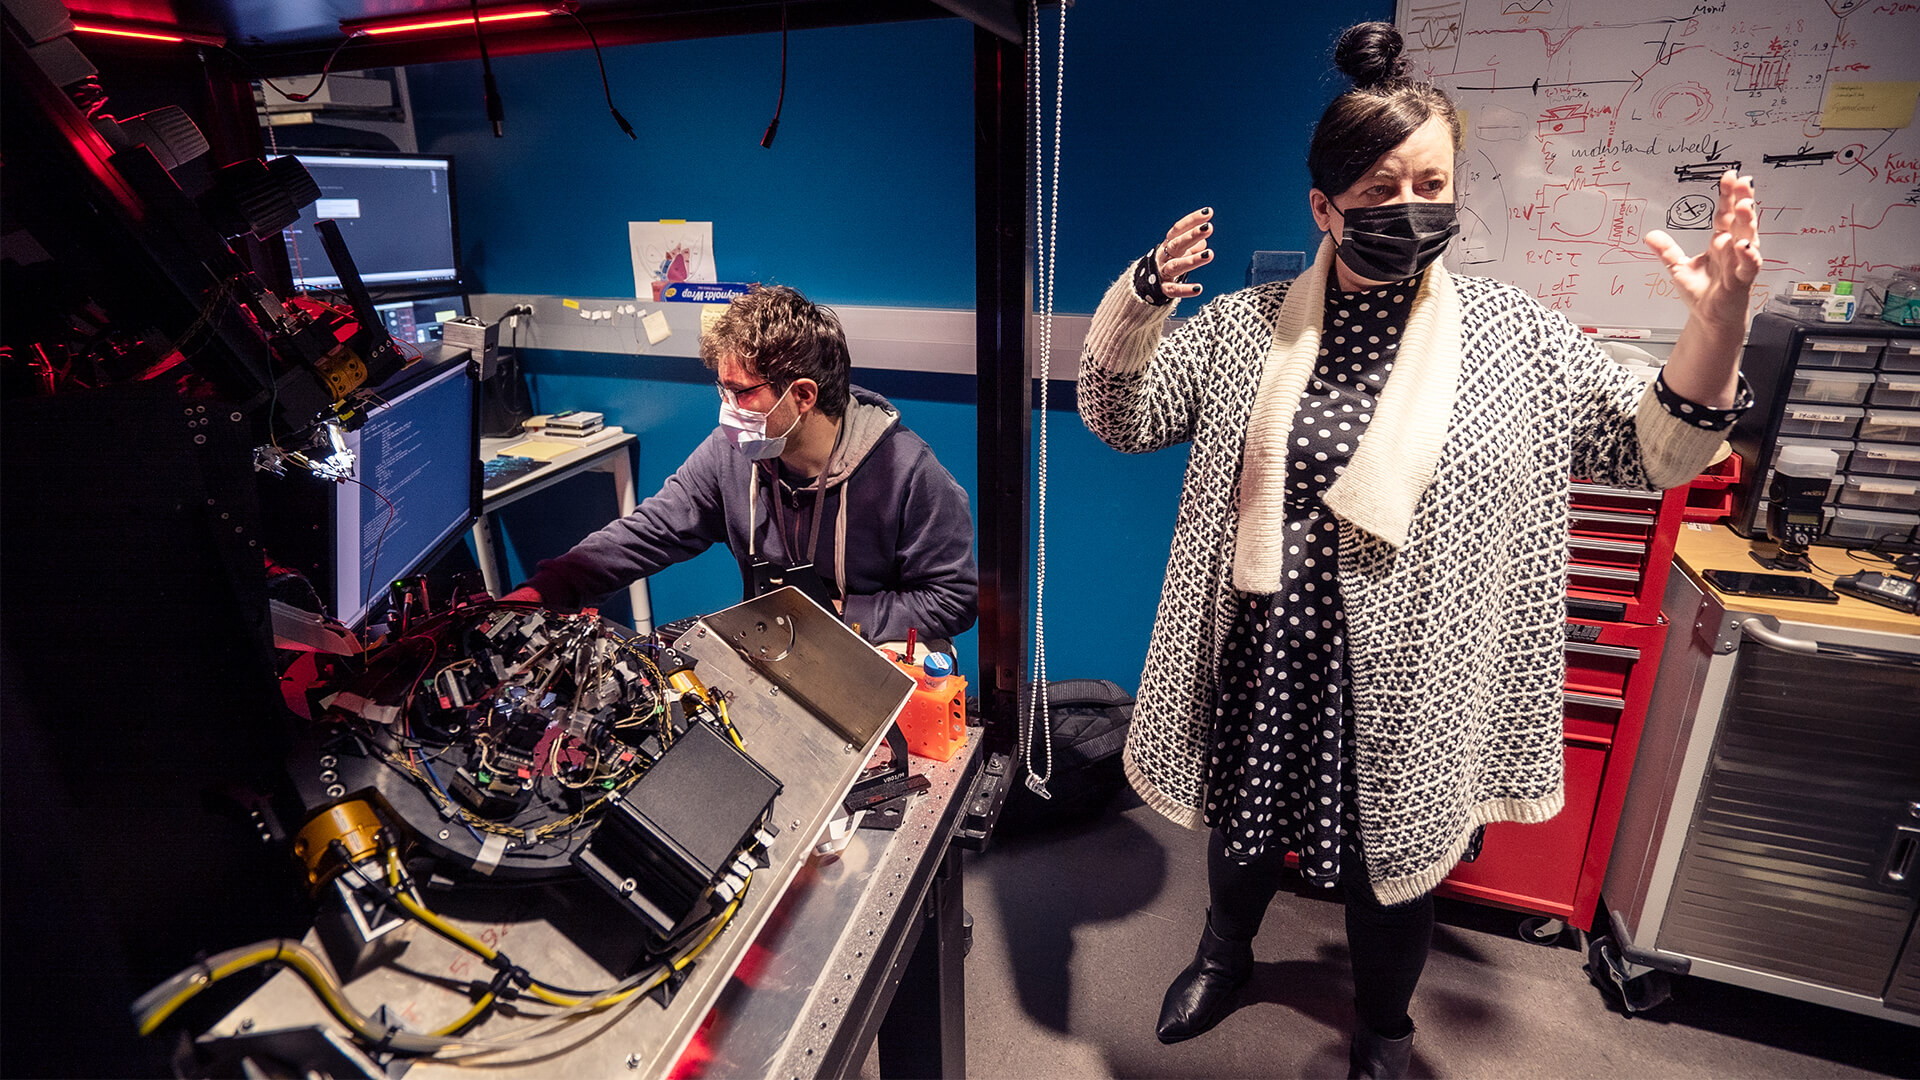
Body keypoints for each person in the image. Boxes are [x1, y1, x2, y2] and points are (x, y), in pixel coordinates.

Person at [1077, 22, 1755, 1079]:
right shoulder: (1249, 328)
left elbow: (1654, 450)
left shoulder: (1514, 338)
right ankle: (1225, 955)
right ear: (1324, 207)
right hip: (1267, 640)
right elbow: (1119, 412)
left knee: (1388, 868)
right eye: (1381, 190)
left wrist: (1715, 336)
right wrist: (1144, 299)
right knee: (1245, 830)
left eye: (1431, 183)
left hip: (1419, 672)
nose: (1409, 210)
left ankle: (1385, 1028)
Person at [505, 285, 978, 646]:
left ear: (804, 395)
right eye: (722, 389)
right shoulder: (729, 454)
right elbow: (648, 532)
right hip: (777, 648)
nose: (728, 408)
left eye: (742, 391)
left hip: (875, 657)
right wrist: (548, 589)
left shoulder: (910, 474)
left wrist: (837, 613)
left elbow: (953, 600)